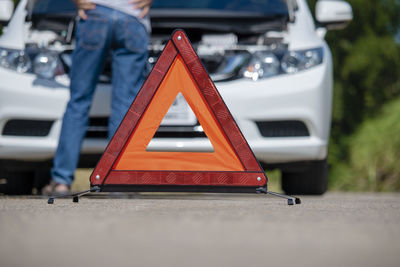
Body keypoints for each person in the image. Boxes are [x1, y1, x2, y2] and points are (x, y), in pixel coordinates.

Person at [42, 0, 152, 195]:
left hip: (94, 13)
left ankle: (61, 181)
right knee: (125, 106)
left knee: (79, 101)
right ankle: (118, 182)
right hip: (133, 17)